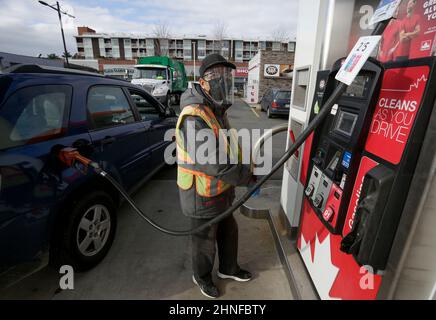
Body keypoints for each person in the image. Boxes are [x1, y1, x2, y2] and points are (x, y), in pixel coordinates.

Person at [175, 54, 255, 298]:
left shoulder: (217, 109)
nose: (224, 79)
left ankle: (228, 268)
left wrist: (248, 168)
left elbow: (230, 149)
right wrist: (247, 178)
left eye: (227, 74)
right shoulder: (193, 117)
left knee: (228, 230)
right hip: (200, 193)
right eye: (216, 75)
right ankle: (201, 277)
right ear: (202, 82)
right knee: (204, 241)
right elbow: (215, 163)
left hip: (221, 190)